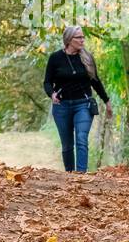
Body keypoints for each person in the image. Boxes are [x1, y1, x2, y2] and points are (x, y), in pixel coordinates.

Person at [43, 25, 111, 174]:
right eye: (79, 37)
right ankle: (69, 176)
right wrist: (52, 94)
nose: (82, 40)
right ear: (69, 40)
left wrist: (107, 101)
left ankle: (81, 175)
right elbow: (47, 82)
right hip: (62, 106)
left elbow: (95, 81)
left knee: (81, 138)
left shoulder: (87, 57)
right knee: (67, 145)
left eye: (83, 37)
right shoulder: (55, 58)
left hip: (83, 105)